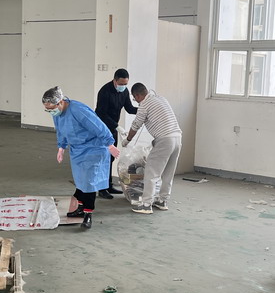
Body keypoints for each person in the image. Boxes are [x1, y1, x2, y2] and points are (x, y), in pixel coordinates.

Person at [43, 86, 120, 229]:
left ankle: (88, 214)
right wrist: (61, 147)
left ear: (60, 102)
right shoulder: (57, 113)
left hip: (93, 148)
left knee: (89, 183)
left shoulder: (78, 110)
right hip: (77, 150)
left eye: (51, 108)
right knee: (80, 182)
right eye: (47, 110)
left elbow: (98, 126)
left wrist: (110, 144)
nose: (50, 112)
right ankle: (80, 208)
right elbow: (61, 130)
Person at [124, 83, 182, 214]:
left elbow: (136, 125)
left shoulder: (144, 105)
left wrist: (127, 140)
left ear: (137, 95)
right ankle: (162, 201)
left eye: (134, 98)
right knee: (168, 172)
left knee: (151, 172)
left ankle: (146, 204)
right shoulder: (161, 99)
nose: (136, 101)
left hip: (165, 139)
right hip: (177, 137)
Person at [95, 68, 137, 199]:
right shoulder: (105, 91)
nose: (123, 86)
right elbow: (100, 113)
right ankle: (101, 189)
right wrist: (117, 126)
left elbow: (130, 108)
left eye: (125, 84)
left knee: (111, 157)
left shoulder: (124, 91)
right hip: (102, 129)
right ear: (115, 80)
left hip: (113, 129)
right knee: (104, 157)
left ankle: (108, 185)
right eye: (121, 84)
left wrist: (144, 110)